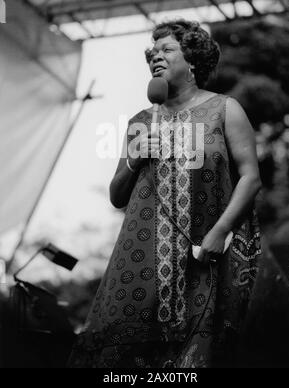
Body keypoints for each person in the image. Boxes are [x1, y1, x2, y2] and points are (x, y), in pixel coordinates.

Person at [68, 19, 262, 368]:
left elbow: (251, 177)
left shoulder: (224, 109)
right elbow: (117, 195)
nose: (156, 56)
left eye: (167, 49)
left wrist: (220, 231)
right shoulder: (141, 121)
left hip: (202, 255)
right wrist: (133, 160)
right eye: (152, 52)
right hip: (142, 260)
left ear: (192, 61)